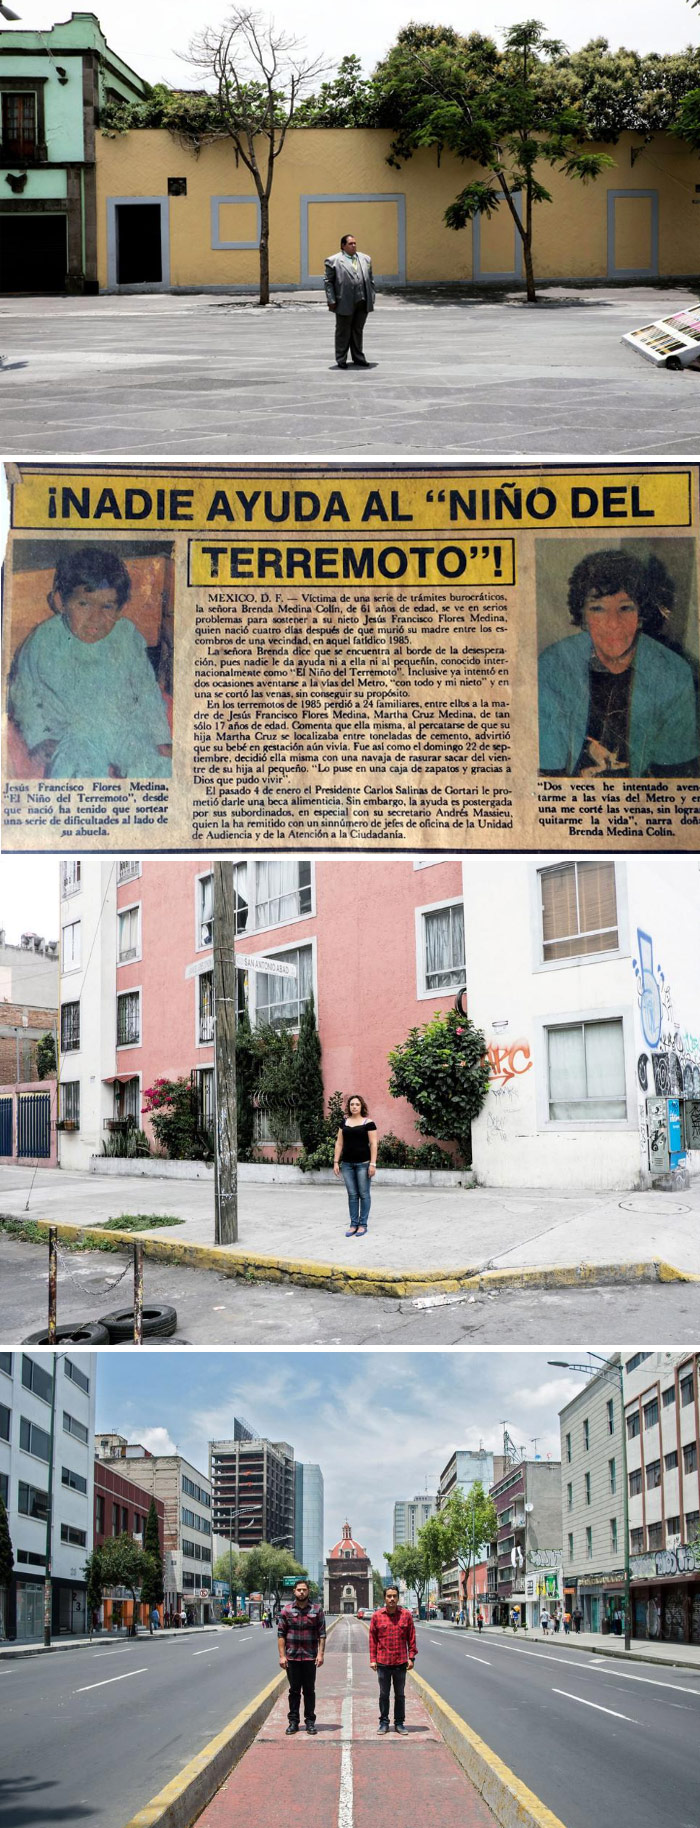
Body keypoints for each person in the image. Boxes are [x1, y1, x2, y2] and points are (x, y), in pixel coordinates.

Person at [8, 544, 173, 779]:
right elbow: (24, 691)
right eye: (83, 604)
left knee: (154, 767)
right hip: (71, 734)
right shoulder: (43, 640)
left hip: (124, 728)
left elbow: (146, 689)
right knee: (73, 772)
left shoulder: (126, 636)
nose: (95, 618)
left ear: (119, 609)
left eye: (107, 606)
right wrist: (39, 738)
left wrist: (161, 737)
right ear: (62, 601)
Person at [538, 549, 698, 778]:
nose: (613, 623)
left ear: (641, 613)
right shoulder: (552, 666)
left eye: (625, 608)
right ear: (582, 615)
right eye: (598, 608)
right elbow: (548, 769)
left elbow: (674, 773)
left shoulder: (674, 674)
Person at [278, 1578, 326, 1736]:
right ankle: (293, 1722)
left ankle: (310, 1722)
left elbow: (322, 1634)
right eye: (299, 1590)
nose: (301, 1592)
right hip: (292, 1658)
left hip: (310, 1658)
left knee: (309, 1691)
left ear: (308, 1591)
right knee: (294, 1691)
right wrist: (282, 1656)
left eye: (304, 1589)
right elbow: (281, 1635)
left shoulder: (317, 1610)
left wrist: (320, 1654)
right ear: (294, 1591)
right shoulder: (286, 1610)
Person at [369, 1585, 417, 1735]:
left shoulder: (406, 1615)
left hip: (400, 1662)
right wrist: (373, 1659)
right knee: (384, 1694)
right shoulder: (377, 1616)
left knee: (400, 1694)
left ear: (398, 1597)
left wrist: (411, 1657)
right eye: (389, 1596)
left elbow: (412, 1638)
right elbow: (372, 1639)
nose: (392, 1599)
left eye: (394, 1596)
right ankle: (384, 1723)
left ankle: (399, 1723)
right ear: (385, 1598)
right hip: (383, 1662)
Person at [324, 233, 375, 369]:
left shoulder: (365, 259)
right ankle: (341, 358)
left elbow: (370, 279)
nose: (354, 246)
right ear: (343, 246)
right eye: (350, 244)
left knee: (358, 330)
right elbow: (328, 282)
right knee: (343, 331)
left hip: (362, 299)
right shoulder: (333, 260)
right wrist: (331, 299)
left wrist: (372, 296)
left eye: (355, 243)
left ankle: (358, 357)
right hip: (344, 300)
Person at [333, 1093, 378, 1236]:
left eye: (357, 1104)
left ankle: (363, 1225)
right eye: (352, 1104)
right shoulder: (344, 1123)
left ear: (361, 1106)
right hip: (347, 1165)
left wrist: (373, 1164)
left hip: (363, 1164)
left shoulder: (368, 1123)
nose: (354, 1106)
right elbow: (339, 1143)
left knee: (364, 1194)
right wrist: (336, 1162)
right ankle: (353, 1224)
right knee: (352, 1195)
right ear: (349, 1106)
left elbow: (373, 1144)